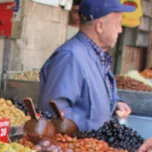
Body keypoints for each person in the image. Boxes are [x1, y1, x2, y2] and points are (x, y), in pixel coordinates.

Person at [39, 0, 136, 132]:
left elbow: (91, 95)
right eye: (117, 24)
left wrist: (114, 104)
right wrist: (93, 130)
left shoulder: (96, 54)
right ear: (100, 26)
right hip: (76, 147)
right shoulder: (70, 57)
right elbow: (56, 112)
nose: (120, 30)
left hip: (96, 146)